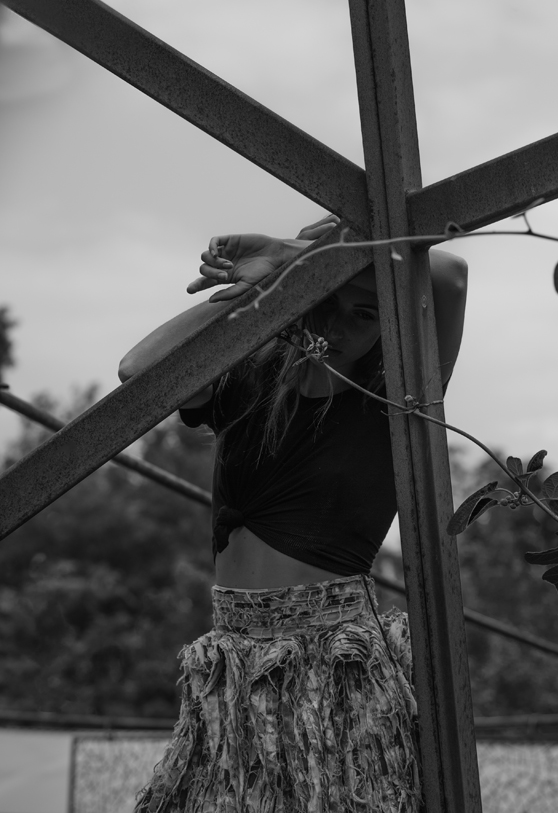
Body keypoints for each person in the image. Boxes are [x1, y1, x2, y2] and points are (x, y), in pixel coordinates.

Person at [118, 214, 468, 813]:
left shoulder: (395, 397)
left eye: (365, 313)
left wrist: (295, 250)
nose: (338, 325)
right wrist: (267, 287)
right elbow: (138, 371)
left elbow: (450, 274)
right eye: (326, 299)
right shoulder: (246, 378)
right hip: (232, 664)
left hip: (335, 666)